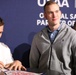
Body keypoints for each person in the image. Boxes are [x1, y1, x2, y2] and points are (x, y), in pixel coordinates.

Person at [29, 1, 76, 75]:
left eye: (56, 11)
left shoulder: (72, 34)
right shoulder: (38, 37)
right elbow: (33, 65)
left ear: (60, 13)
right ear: (45, 15)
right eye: (50, 12)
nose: (54, 15)